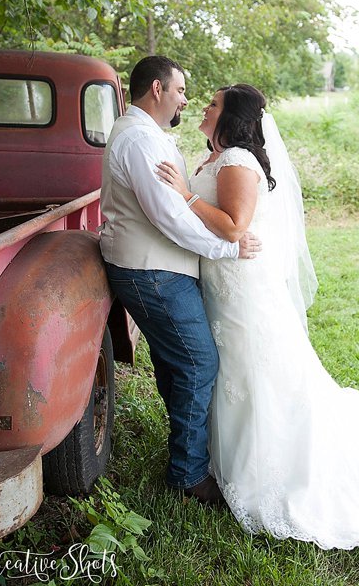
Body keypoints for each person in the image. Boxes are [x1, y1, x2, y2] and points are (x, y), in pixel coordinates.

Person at [156, 83, 359, 548]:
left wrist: (186, 196)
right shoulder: (212, 159)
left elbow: (235, 226)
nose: (203, 107)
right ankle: (219, 457)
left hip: (242, 291)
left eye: (212, 104)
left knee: (252, 368)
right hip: (218, 283)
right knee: (229, 368)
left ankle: (268, 465)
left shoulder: (238, 162)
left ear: (230, 117)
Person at [99, 58, 261, 506]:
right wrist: (228, 249)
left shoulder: (149, 137)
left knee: (178, 364)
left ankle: (185, 453)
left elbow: (180, 205)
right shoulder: (137, 140)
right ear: (157, 89)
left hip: (162, 268)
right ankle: (188, 476)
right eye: (182, 90)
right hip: (153, 271)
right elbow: (167, 216)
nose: (187, 99)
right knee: (197, 363)